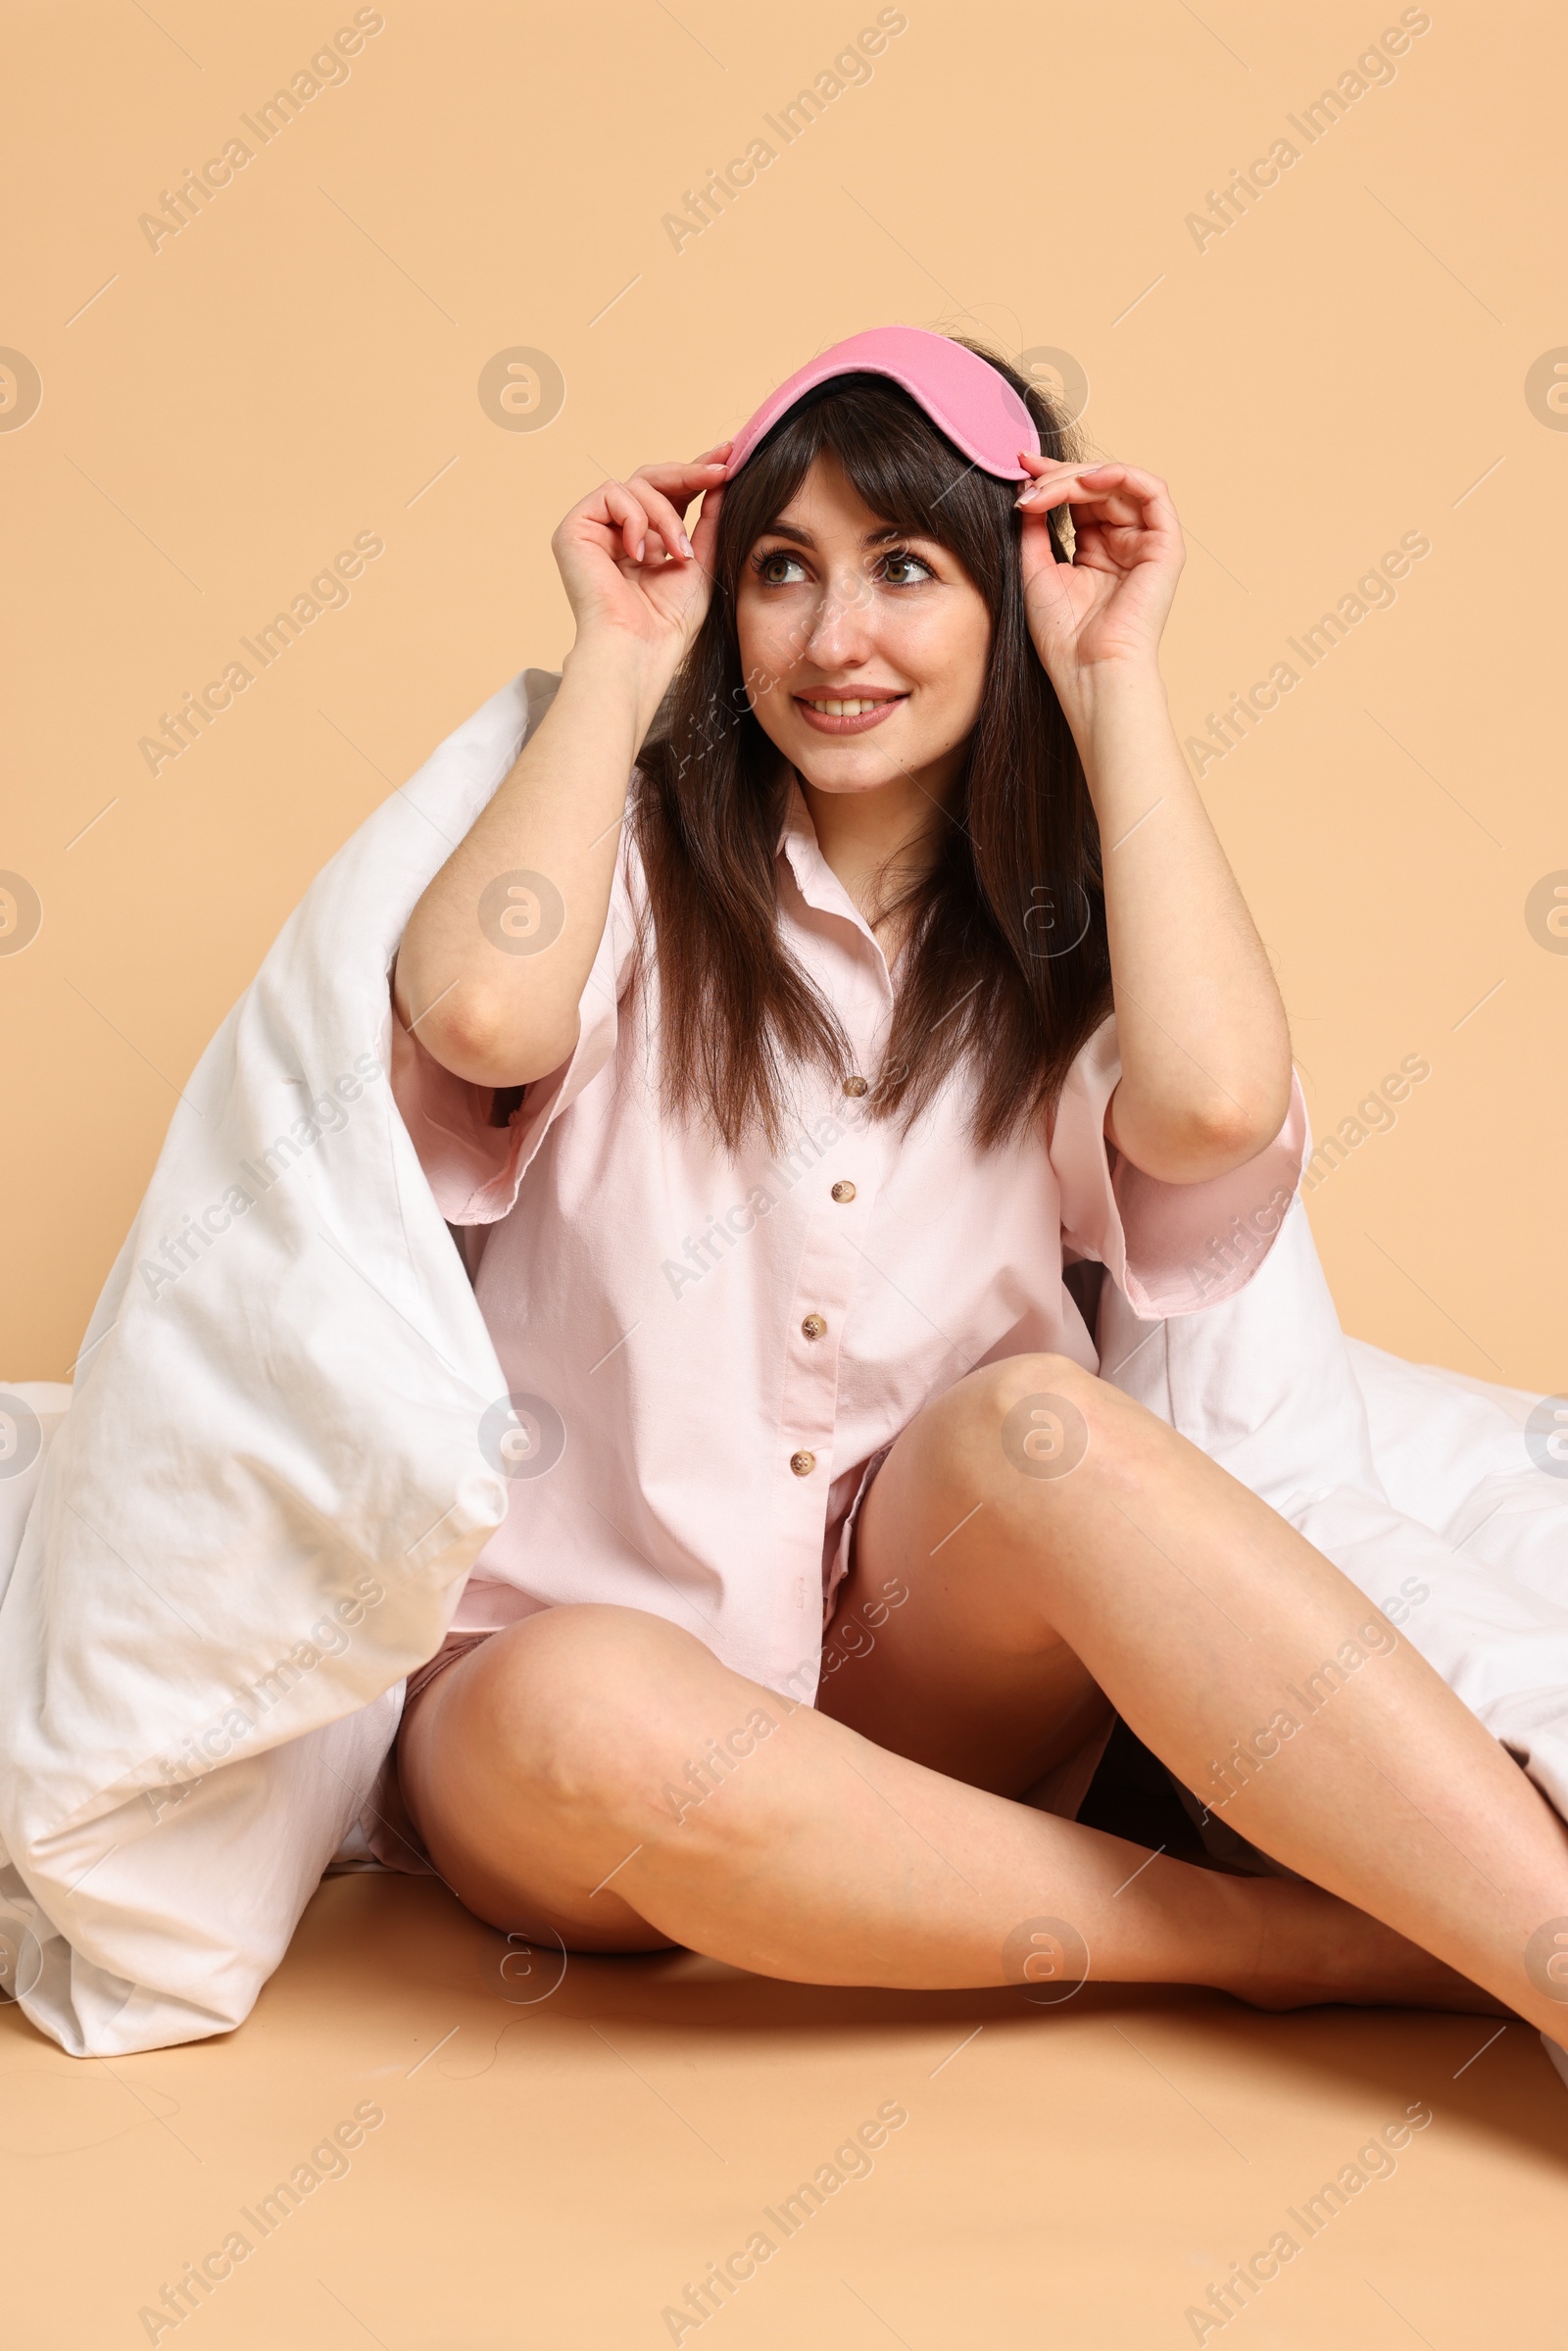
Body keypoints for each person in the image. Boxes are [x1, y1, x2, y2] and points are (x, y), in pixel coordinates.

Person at [386, 325, 1568, 2040]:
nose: (833, 637)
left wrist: (1116, 678)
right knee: (581, 1704)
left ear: (1003, 603)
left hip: (912, 1682)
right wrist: (622, 658)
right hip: (572, 1730)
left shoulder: (1063, 951)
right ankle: (1288, 1945)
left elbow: (1218, 1110)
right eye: (782, 571)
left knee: (1045, 1423)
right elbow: (479, 1007)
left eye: (906, 571)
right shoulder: (620, 877)